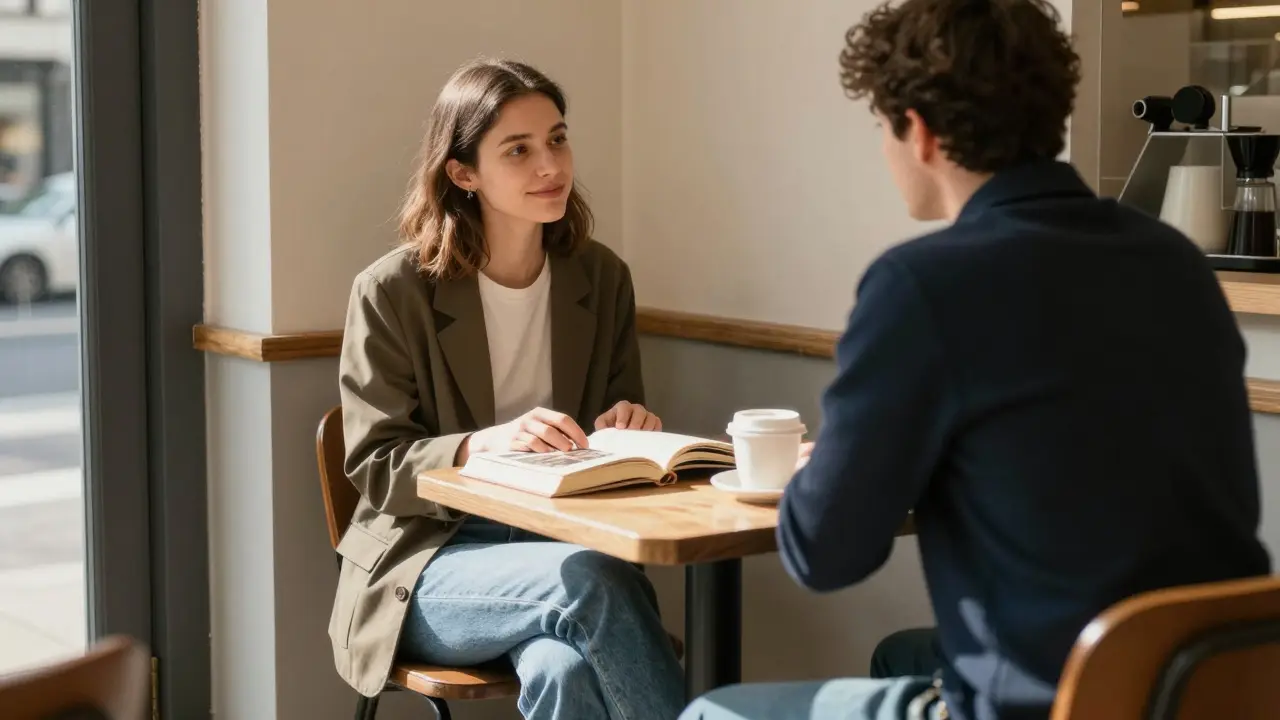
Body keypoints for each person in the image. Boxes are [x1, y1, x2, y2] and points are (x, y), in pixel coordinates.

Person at [682, 1, 1272, 719]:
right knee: (904, 654)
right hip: (1205, 688)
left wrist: (832, 462)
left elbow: (825, 556)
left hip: (1050, 704)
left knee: (712, 712)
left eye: (883, 127)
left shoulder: (923, 287)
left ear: (921, 133)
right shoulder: (1174, 261)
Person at [332, 59, 685, 720]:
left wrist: (628, 425)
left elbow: (612, 432)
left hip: (558, 545)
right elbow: (376, 466)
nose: (549, 164)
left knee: (564, 668)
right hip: (431, 561)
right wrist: (482, 447)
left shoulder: (600, 277)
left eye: (557, 138)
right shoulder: (392, 292)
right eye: (517, 150)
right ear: (463, 173)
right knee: (597, 583)